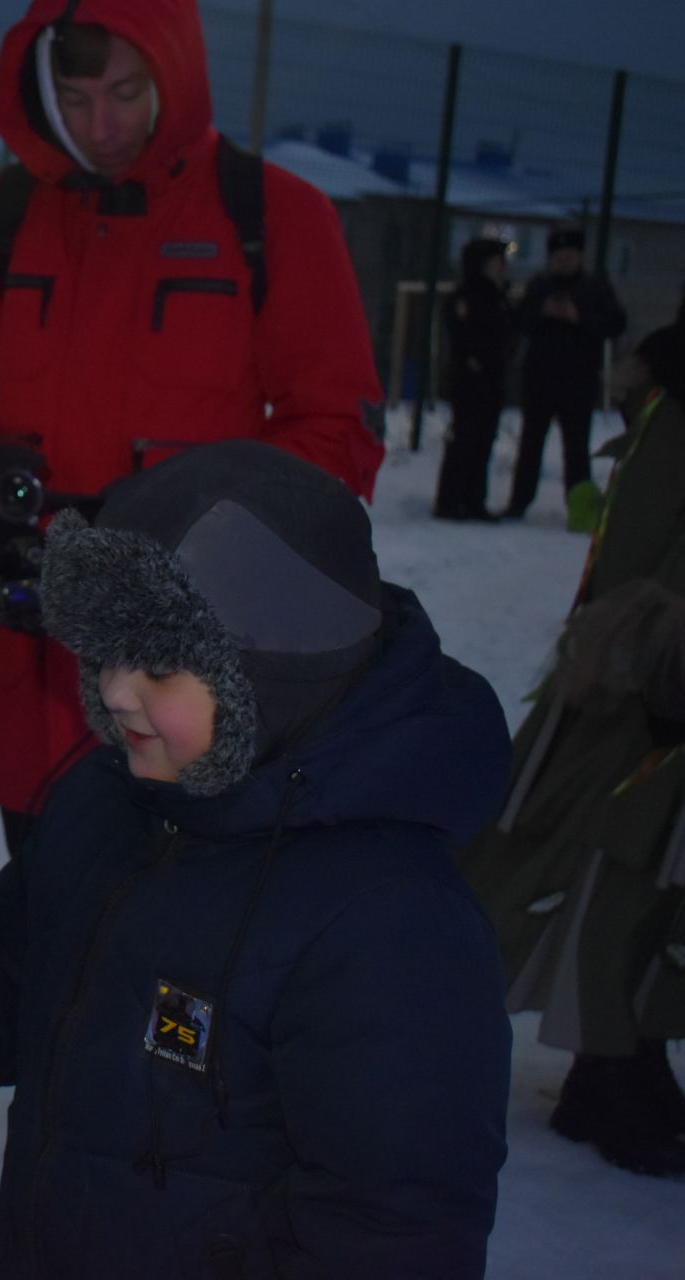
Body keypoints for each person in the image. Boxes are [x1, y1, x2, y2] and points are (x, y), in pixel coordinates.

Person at [0, 440, 515, 1276]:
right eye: (105, 651)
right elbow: (8, 964)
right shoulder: (111, 798)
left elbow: (396, 1230)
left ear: (272, 673)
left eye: (160, 665)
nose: (113, 690)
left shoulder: (390, 925)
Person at [0, 0, 385, 856]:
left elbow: (336, 430)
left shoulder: (274, 217)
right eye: (77, 98)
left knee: (176, 931)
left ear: (177, 74)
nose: (103, 124)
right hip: (35, 658)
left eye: (127, 91)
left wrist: (194, 526)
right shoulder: (0, 218)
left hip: (189, 656)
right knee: (46, 907)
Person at [456, 308, 685, 1178]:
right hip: (643, 691)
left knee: (668, 882)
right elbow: (631, 558)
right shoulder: (677, 404)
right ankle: (606, 1062)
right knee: (612, 868)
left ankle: (642, 1050)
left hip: (653, 679)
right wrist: (654, 659)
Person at [504, 225, 627, 526]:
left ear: (580, 256)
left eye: (569, 255)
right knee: (531, 443)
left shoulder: (595, 289)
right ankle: (519, 502)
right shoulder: (539, 286)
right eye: (559, 256)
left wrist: (579, 318)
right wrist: (542, 312)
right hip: (540, 377)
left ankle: (580, 506)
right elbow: (519, 321)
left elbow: (615, 323)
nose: (564, 261)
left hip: (578, 379)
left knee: (576, 447)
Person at [434, 237, 512, 521]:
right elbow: (464, 336)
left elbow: (506, 337)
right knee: (464, 439)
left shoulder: (498, 296)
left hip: (491, 379)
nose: (501, 267)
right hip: (469, 380)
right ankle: (451, 500)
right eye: (495, 261)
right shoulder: (465, 297)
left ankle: (473, 499)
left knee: (482, 440)